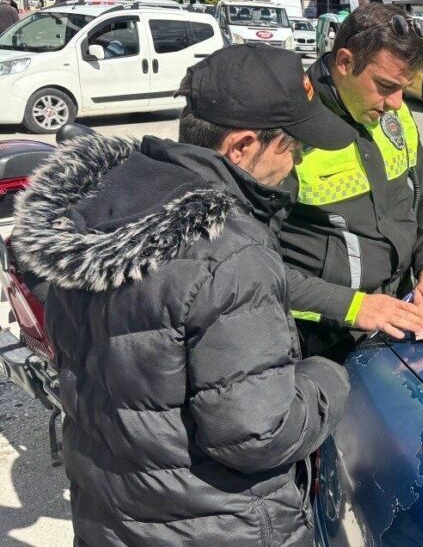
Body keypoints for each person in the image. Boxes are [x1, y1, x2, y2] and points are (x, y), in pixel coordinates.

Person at [11, 44, 353, 546]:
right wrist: (329, 378)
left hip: (109, 517)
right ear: (240, 147)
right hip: (214, 527)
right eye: (292, 146)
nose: (298, 159)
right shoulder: (230, 253)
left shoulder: (97, 205)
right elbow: (257, 432)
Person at [280, 3, 423, 357]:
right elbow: (254, 265)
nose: (396, 103)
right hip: (322, 335)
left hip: (397, 313)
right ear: (345, 63)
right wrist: (353, 306)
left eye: (404, 88)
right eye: (385, 86)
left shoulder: (394, 113)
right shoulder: (287, 131)